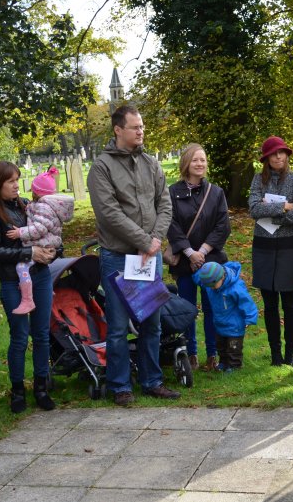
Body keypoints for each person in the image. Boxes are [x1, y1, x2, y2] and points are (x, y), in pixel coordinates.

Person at [87, 104, 179, 406]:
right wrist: (143, 240)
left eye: (142, 126)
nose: (141, 131)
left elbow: (164, 205)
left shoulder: (151, 163)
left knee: (151, 322)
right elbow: (109, 213)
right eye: (135, 127)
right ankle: (120, 386)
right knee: (116, 325)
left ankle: (152, 381)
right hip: (117, 256)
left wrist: (153, 242)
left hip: (147, 257)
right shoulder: (102, 167)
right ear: (118, 130)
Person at [0, 161, 56, 413]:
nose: (16, 185)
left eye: (17, 180)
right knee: (20, 336)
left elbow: (49, 230)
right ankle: (18, 390)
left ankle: (42, 387)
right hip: (13, 280)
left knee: (42, 334)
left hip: (40, 276)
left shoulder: (28, 204)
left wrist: (51, 252)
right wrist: (29, 252)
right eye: (10, 181)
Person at [166, 143, 230, 371]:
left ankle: (212, 353)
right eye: (195, 160)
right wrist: (189, 252)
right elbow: (170, 224)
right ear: (186, 163)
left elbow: (223, 225)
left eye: (203, 160)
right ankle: (190, 353)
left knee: (212, 308)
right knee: (186, 309)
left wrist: (202, 251)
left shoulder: (216, 192)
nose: (200, 164)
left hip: (210, 260)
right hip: (184, 262)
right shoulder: (172, 193)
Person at [248, 136, 293, 366]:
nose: (279, 156)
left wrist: (269, 210)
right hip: (263, 247)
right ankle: (275, 355)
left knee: (289, 302)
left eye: (282, 152)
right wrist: (283, 206)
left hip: (289, 246)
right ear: (266, 158)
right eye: (274, 154)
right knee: (269, 303)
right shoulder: (258, 180)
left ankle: (290, 354)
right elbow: (254, 209)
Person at [5, 167, 74, 314]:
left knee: (21, 268)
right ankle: (46, 292)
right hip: (47, 242)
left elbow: (39, 229)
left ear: (37, 192)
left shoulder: (43, 207)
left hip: (42, 242)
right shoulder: (45, 205)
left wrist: (20, 233)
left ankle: (27, 300)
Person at [193, 262, 258, 372]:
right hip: (219, 323)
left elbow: (247, 302)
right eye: (209, 286)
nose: (212, 288)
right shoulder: (211, 284)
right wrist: (197, 271)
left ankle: (234, 365)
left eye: (213, 285)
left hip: (235, 326)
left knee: (233, 348)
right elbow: (199, 279)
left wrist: (250, 318)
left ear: (222, 277)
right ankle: (223, 362)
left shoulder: (236, 288)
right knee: (221, 346)